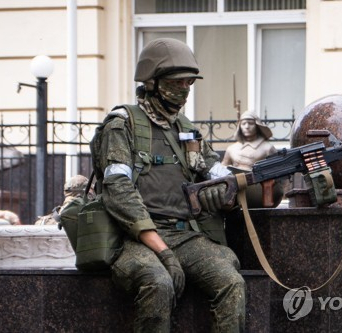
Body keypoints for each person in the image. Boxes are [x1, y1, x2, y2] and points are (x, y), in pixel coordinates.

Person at [91, 38, 245, 332]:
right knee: (159, 283)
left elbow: (220, 174)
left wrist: (239, 188)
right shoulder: (121, 125)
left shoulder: (186, 129)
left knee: (231, 283)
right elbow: (117, 190)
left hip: (185, 236)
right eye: (177, 82)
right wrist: (162, 252)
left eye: (189, 82)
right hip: (131, 241)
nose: (185, 89)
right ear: (151, 82)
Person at [222, 110, 284, 207]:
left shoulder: (267, 148)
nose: (247, 127)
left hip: (260, 194)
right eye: (243, 123)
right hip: (236, 195)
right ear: (240, 126)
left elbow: (278, 173)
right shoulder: (231, 149)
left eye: (250, 123)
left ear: (257, 125)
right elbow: (221, 172)